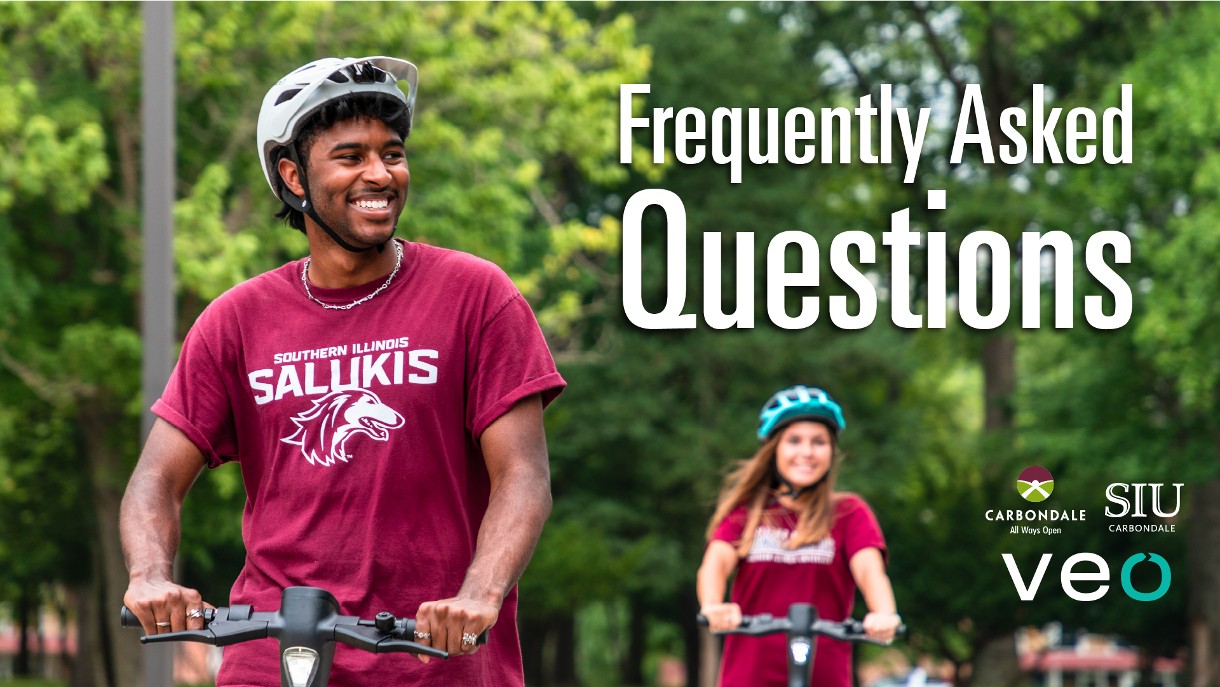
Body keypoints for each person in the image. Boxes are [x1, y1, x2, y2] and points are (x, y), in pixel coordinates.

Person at [119, 55, 565, 686]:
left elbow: (523, 475)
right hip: (271, 653)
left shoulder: (476, 296)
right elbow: (154, 481)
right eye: (352, 156)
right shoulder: (236, 321)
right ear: (293, 176)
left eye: (394, 153)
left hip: (430, 660)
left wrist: (480, 594)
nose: (381, 174)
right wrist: (150, 576)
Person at [697, 385, 900, 687]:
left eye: (818, 442)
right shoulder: (747, 513)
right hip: (749, 677)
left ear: (831, 451)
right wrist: (714, 606)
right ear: (774, 449)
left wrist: (884, 614)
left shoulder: (848, 513)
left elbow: (871, 573)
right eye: (794, 441)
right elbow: (714, 566)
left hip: (825, 677)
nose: (806, 452)